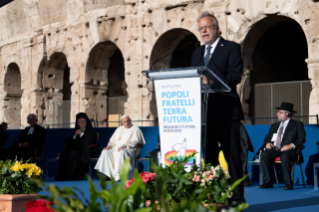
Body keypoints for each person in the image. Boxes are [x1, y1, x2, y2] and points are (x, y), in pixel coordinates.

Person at [191, 11, 245, 203]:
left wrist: (211, 81)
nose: (204, 31)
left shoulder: (230, 47)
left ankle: (238, 199)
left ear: (216, 28)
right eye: (201, 28)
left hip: (227, 111)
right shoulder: (197, 53)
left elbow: (235, 76)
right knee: (210, 159)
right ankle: (213, 197)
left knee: (233, 158)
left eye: (207, 27)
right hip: (205, 114)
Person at [259, 102, 306, 190]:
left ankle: (288, 183)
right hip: (276, 150)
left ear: (287, 114)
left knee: (285, 154)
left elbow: (301, 138)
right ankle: (268, 182)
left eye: (280, 112)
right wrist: (267, 143)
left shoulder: (297, 124)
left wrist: (290, 146)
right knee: (264, 154)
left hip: (290, 151)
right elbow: (267, 137)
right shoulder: (275, 125)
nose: (278, 114)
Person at [95, 115, 146, 181]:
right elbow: (112, 141)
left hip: (129, 149)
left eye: (128, 121)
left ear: (130, 120)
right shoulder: (119, 129)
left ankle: (119, 175)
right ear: (122, 122)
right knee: (105, 152)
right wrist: (109, 145)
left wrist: (125, 145)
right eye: (124, 122)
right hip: (117, 148)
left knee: (121, 152)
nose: (126, 123)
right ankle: (107, 174)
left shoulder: (136, 129)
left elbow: (137, 141)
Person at [55, 112, 96, 181]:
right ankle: (64, 176)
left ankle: (73, 176)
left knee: (73, 154)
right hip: (75, 152)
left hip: (86, 152)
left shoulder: (91, 132)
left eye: (83, 121)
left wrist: (82, 134)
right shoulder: (75, 132)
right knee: (64, 154)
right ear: (77, 123)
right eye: (80, 121)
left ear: (87, 122)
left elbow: (90, 141)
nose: (82, 122)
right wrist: (74, 136)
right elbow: (69, 145)